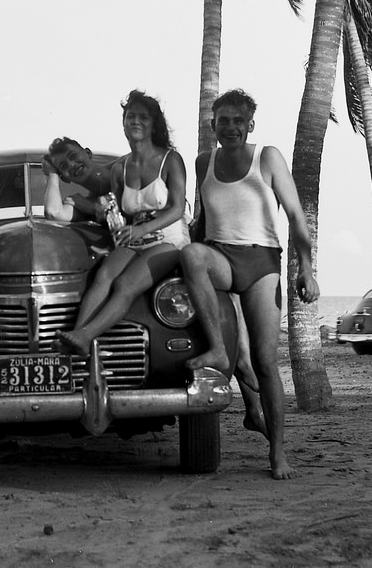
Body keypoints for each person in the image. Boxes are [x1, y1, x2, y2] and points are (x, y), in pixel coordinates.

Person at [180, 89, 319, 480]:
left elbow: (295, 215)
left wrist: (306, 269)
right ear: (213, 125)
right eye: (223, 121)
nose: (230, 128)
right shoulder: (204, 161)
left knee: (263, 361)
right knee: (191, 256)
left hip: (261, 263)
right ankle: (217, 351)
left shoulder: (268, 158)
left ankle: (277, 452)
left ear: (250, 124)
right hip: (220, 257)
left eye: (238, 121)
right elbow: (201, 222)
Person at [55, 90, 190, 355]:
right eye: (130, 117)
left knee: (126, 284)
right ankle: (76, 337)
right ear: (124, 123)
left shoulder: (170, 160)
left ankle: (86, 336)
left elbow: (176, 209)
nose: (135, 121)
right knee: (104, 275)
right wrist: (91, 209)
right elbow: (120, 215)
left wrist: (142, 229)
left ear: (154, 124)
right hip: (135, 239)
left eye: (143, 117)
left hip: (169, 240)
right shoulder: (120, 169)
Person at [41, 137, 115, 222]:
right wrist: (52, 173)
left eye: (73, 156)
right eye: (64, 166)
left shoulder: (124, 168)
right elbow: (54, 213)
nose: (71, 165)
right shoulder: (84, 203)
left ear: (88, 153)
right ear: (65, 179)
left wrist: (93, 208)